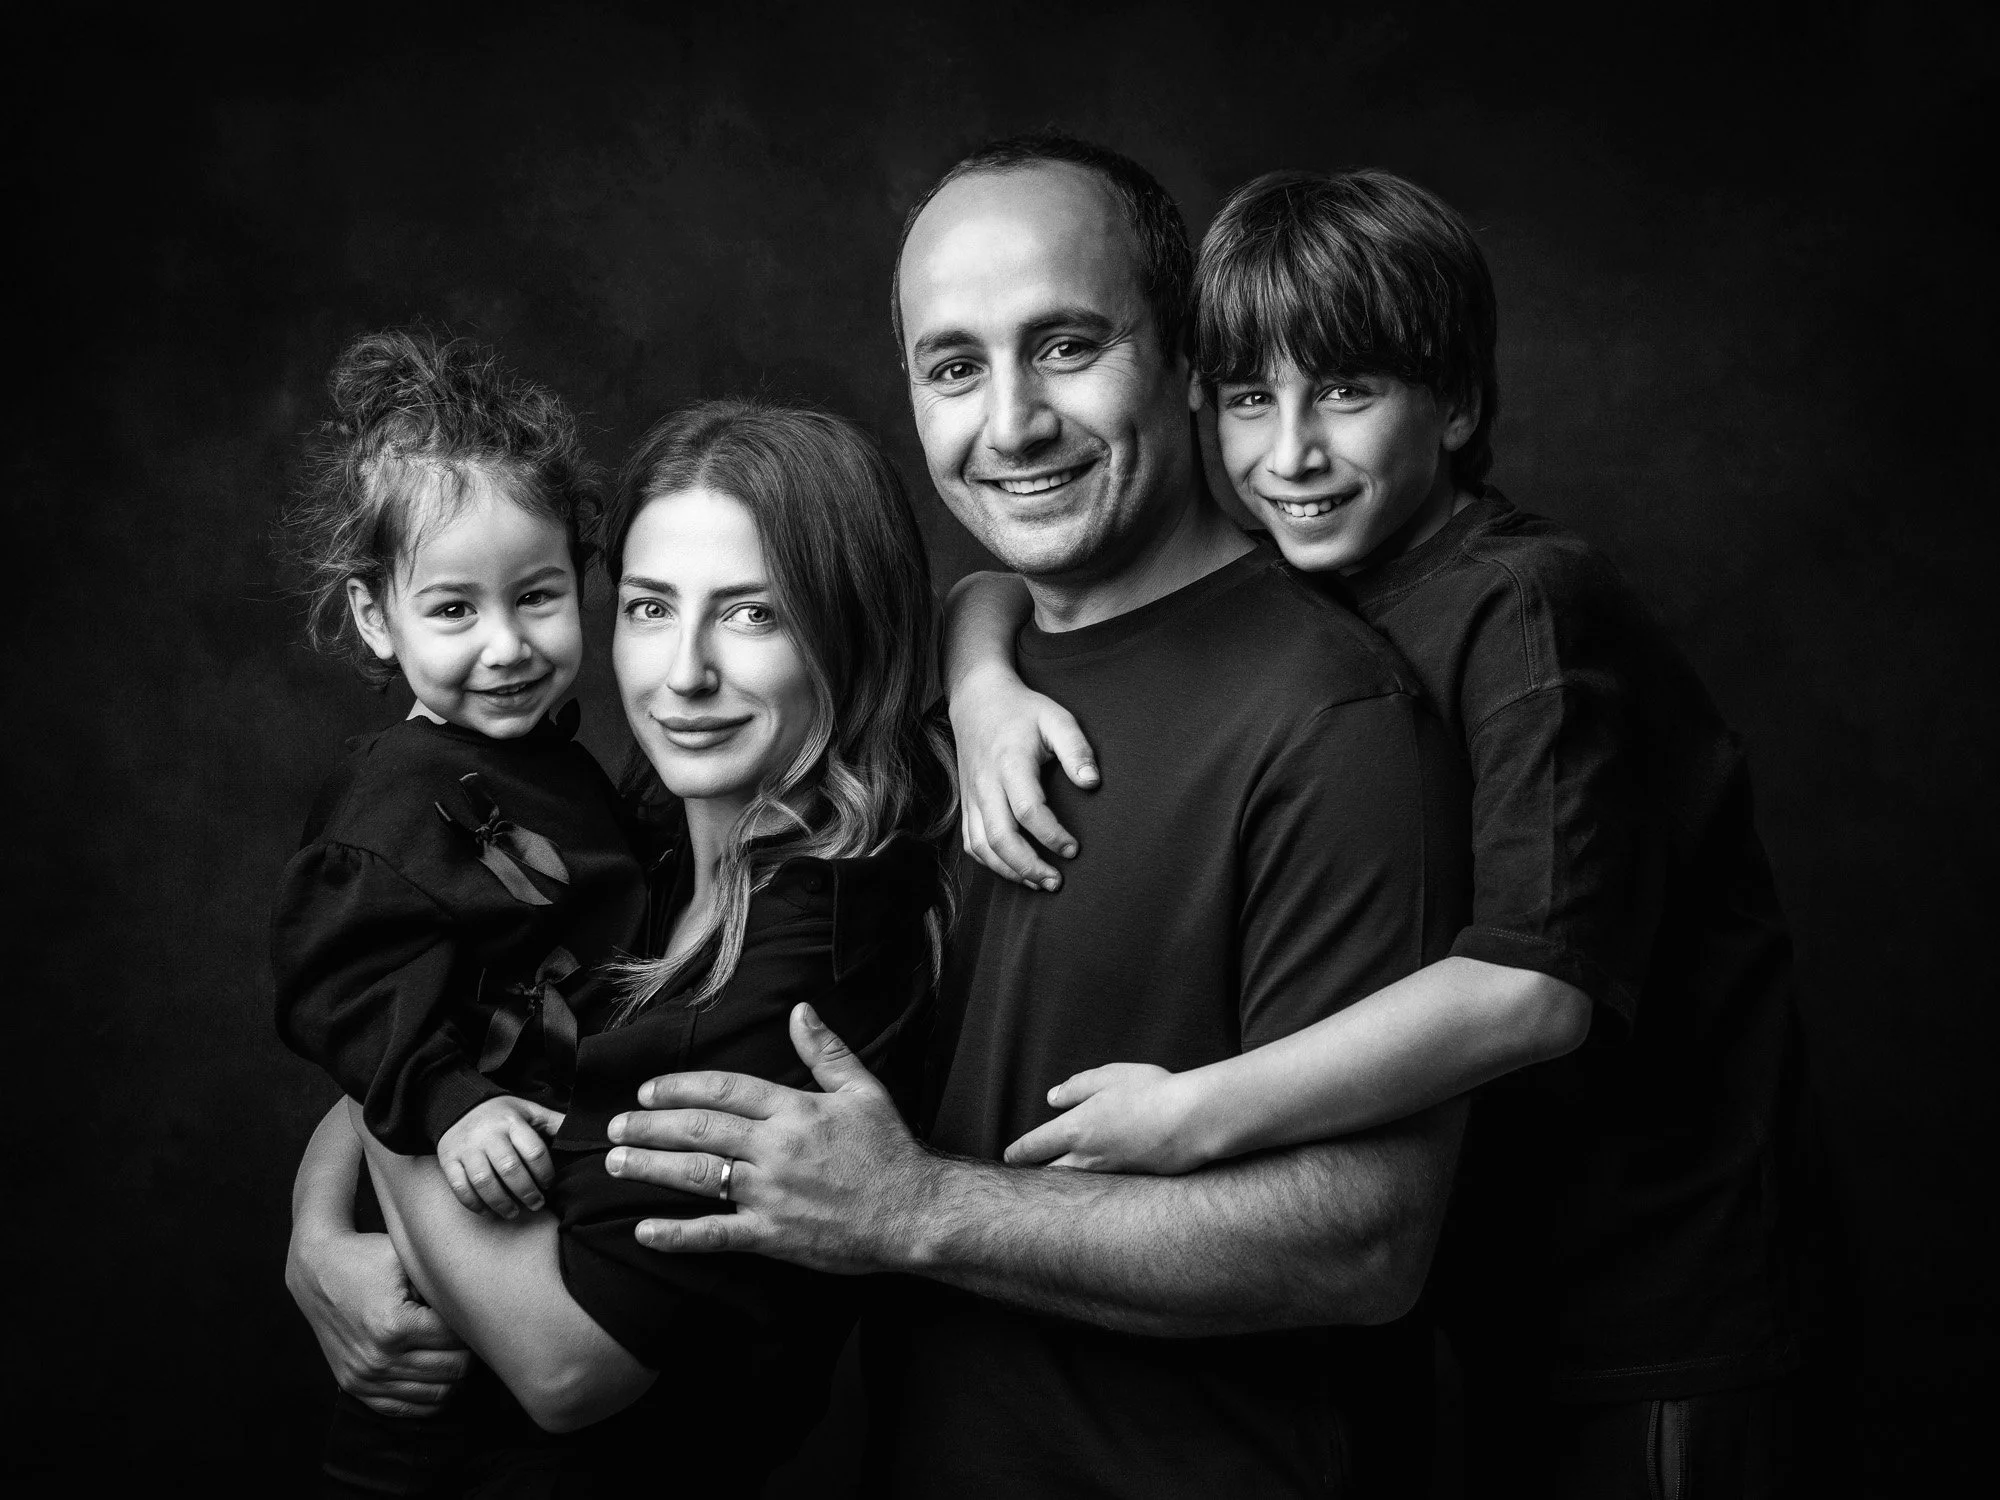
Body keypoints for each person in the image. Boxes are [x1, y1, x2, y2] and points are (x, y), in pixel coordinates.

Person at [600, 135, 1473, 1497]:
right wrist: (344, 1208)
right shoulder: (934, 703)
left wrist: (918, 1209)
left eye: (1066, 347)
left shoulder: (1329, 719)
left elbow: (1363, 1243)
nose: (1009, 425)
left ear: (1186, 357)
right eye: (954, 367)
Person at [946, 168, 1803, 1493]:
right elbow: (1002, 577)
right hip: (1503, 1312)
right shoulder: (1331, 573)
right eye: (1249, 399)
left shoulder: (1525, 605)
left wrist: (1192, 1115)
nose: (1289, 453)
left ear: (1453, 404)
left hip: (1664, 1316)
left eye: (1345, 393)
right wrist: (979, 683)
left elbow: (1530, 992)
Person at [285, 397, 953, 1493]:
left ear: (849, 632)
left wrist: (396, 1112)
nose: (682, 674)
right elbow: (420, 1018)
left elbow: (564, 1370)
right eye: (649, 607)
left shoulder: (813, 949)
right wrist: (316, 1235)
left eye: (753, 615)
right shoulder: (643, 826)